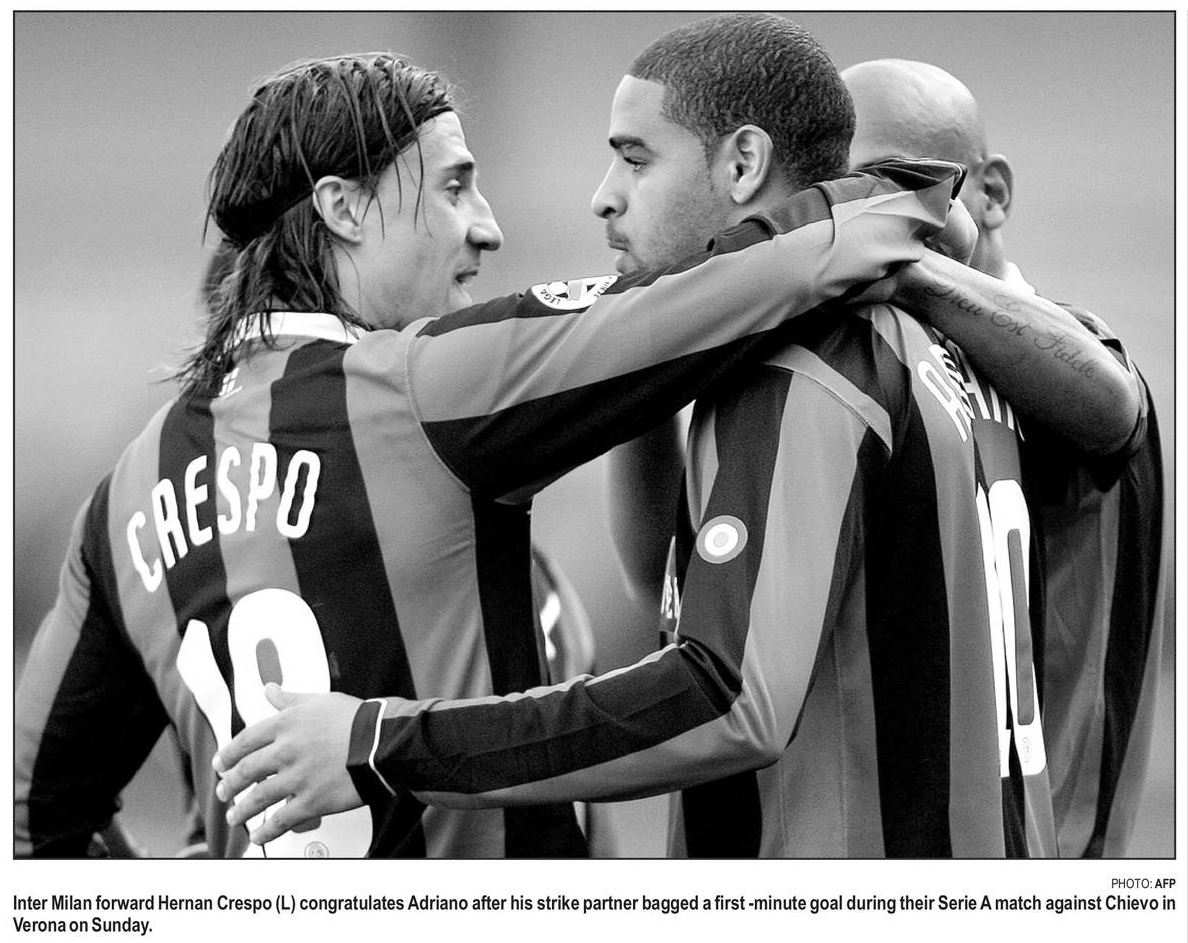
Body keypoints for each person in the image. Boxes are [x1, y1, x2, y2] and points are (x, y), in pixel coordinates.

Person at [211, 15, 1139, 857]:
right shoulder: (958, 360)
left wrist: (385, 743)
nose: (602, 198)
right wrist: (652, 355)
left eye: (635, 159)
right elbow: (669, 581)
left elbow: (729, 696)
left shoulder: (800, 362)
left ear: (742, 166)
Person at [13, 50, 963, 858]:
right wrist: (901, 201)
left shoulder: (122, 497)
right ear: (343, 208)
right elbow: (729, 286)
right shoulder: (422, 388)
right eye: (453, 186)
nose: (488, 226)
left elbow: (31, 818)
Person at [842, 58, 1165, 857]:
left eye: (894, 183)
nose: (863, 217)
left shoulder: (1076, 358)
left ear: (990, 192)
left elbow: (1111, 404)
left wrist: (897, 261)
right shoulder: (894, 371)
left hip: (1056, 862)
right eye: (837, 197)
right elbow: (661, 584)